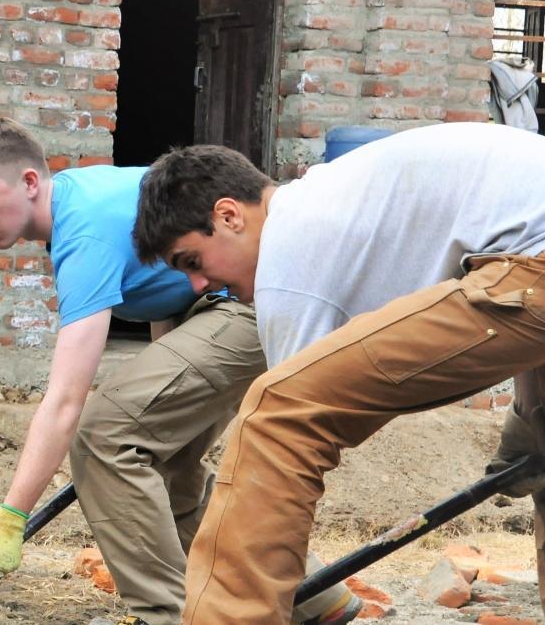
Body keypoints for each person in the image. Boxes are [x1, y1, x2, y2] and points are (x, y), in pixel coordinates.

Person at [0, 117, 357, 625]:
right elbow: (168, 286)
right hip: (228, 305)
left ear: (29, 182)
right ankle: (312, 597)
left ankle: (169, 617)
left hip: (248, 298)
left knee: (103, 435)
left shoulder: (81, 232)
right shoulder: (82, 196)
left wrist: (10, 519)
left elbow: (67, 400)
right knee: (168, 468)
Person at [132, 122, 545, 624]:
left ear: (228, 215)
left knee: (275, 418)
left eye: (192, 260)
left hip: (530, 270)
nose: (199, 284)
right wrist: (531, 418)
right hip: (527, 262)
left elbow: (287, 417)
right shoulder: (330, 199)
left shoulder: (288, 253)